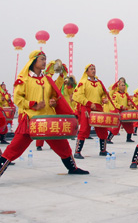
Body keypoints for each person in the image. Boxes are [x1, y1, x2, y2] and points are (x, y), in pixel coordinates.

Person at [0, 50, 88, 178]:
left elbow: (54, 95)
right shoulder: (23, 79)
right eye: (41, 59)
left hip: (47, 120)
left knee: (62, 145)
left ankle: (72, 168)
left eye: (45, 59)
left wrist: (53, 102)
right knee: (14, 148)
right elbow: (18, 99)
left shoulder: (46, 79)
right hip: (31, 120)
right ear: (34, 61)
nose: (44, 61)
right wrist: (33, 105)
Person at [72, 64, 113, 158]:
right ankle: (77, 152)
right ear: (87, 71)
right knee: (84, 129)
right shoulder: (83, 82)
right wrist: (89, 103)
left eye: (94, 69)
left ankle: (103, 150)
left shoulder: (99, 83)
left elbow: (103, 94)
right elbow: (77, 96)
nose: (93, 70)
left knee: (102, 129)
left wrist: (104, 99)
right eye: (91, 69)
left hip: (98, 108)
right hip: (87, 108)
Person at [107, 78, 136, 144]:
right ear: (119, 87)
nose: (124, 86)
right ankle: (108, 139)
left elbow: (129, 101)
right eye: (122, 85)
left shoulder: (126, 94)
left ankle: (129, 138)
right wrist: (121, 106)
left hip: (125, 112)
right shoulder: (116, 94)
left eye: (124, 85)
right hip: (118, 112)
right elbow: (114, 103)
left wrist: (129, 104)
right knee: (116, 127)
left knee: (129, 125)